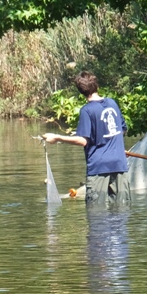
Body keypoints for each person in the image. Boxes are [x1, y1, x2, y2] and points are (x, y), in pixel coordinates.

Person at [43, 71, 130, 205]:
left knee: (96, 213)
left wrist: (57, 137)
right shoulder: (113, 103)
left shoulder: (87, 110)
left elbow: (83, 140)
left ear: (81, 92)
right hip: (120, 164)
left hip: (99, 168)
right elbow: (122, 130)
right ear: (97, 86)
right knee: (121, 211)